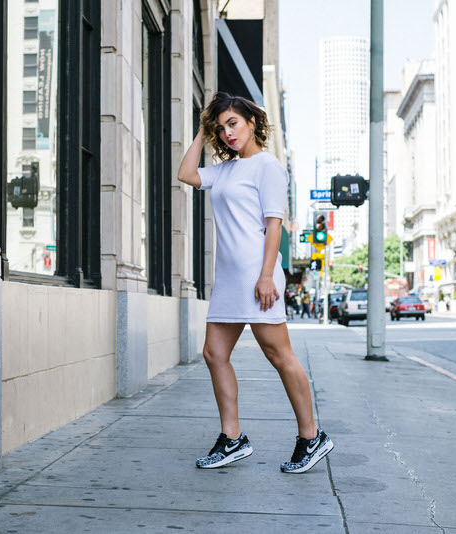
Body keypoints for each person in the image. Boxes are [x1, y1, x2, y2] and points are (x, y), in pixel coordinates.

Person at [177, 92, 333, 474]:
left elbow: (273, 224)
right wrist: (201, 129)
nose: (228, 133)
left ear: (251, 121)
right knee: (214, 354)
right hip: (229, 280)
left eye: (233, 123)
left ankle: (311, 436)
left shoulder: (268, 167)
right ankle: (232, 439)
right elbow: (186, 174)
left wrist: (267, 275)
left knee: (280, 356)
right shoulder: (226, 169)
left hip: (256, 277)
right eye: (220, 127)